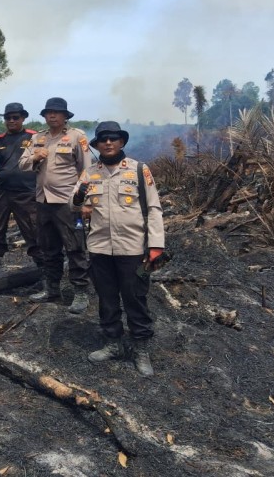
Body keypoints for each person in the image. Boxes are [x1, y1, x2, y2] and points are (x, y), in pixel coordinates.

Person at [72, 121, 164, 377]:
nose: (109, 143)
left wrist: (156, 245)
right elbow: (73, 203)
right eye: (103, 139)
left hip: (132, 248)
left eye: (113, 138)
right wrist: (80, 196)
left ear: (122, 142)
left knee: (135, 299)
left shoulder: (138, 170)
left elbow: (154, 208)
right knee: (107, 298)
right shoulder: (90, 173)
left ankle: (140, 348)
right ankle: (113, 343)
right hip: (100, 247)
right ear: (97, 145)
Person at [19, 97, 92, 314]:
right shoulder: (38, 138)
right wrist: (35, 157)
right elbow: (22, 164)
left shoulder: (77, 137)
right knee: (48, 248)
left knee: (75, 247)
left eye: (56, 112)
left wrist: (85, 202)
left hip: (68, 203)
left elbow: (87, 171)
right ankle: (52, 288)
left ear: (65, 116)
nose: (52, 115)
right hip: (43, 201)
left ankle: (80, 292)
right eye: (48, 112)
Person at [0, 102, 41, 274]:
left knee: (32, 228)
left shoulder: (35, 137)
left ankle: (43, 269)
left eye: (15, 117)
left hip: (26, 191)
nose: (11, 120)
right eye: (8, 118)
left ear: (23, 118)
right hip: (2, 191)